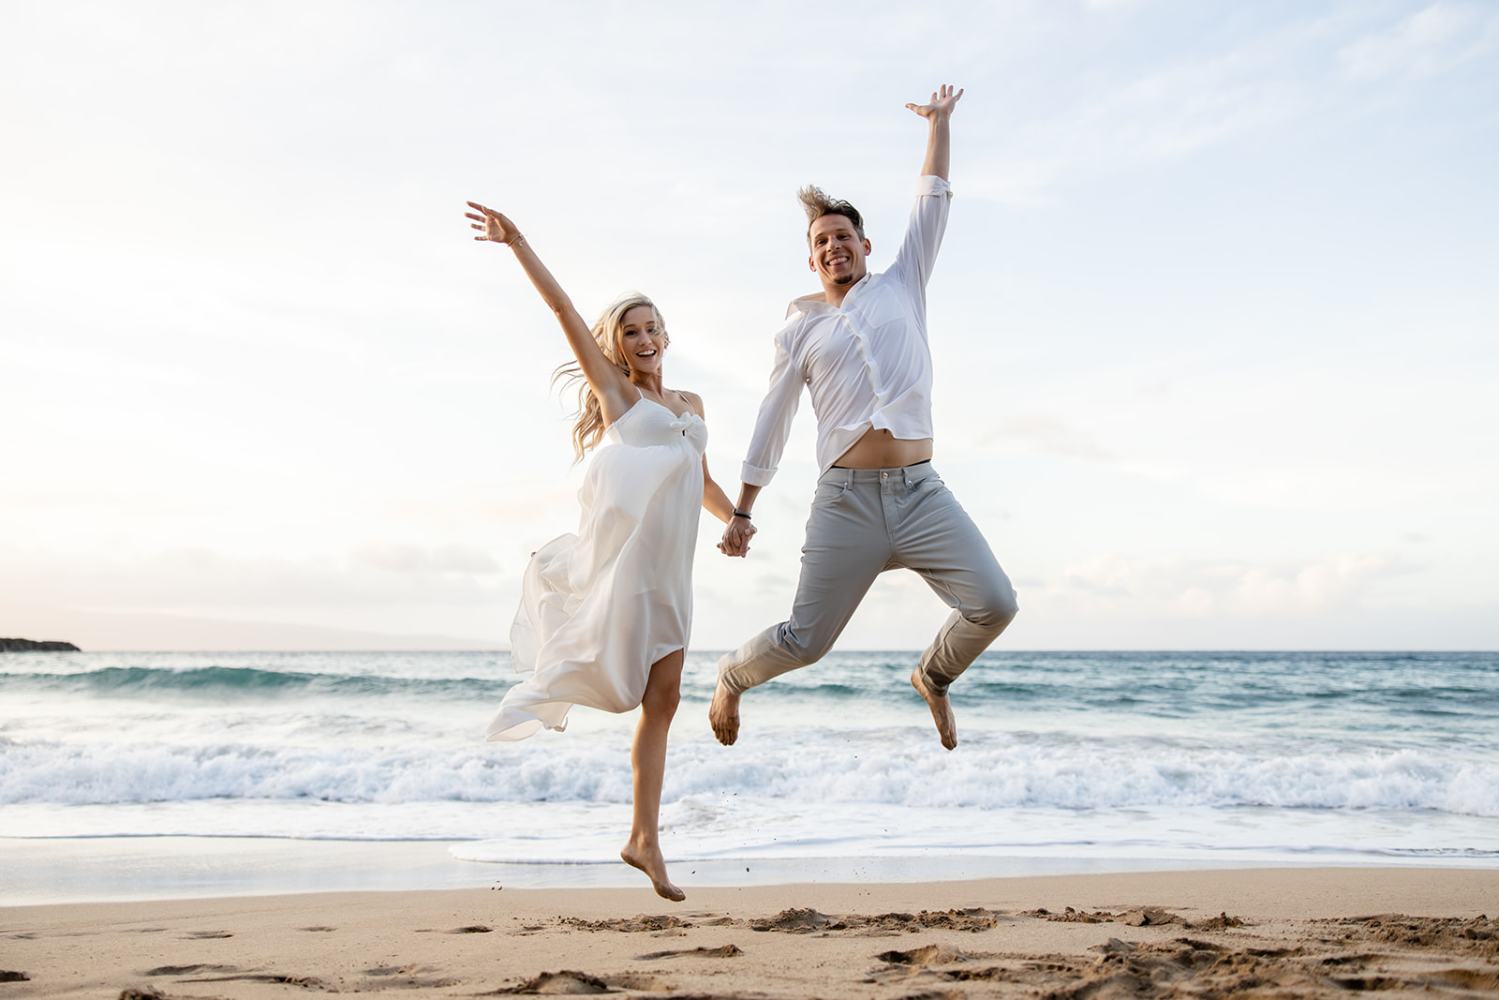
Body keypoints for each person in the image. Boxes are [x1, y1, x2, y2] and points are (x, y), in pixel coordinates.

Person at [709, 84, 1018, 751]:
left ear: (865, 244)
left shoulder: (904, 283)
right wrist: (741, 510)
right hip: (845, 503)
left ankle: (932, 678)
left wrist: (937, 125)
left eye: (841, 236)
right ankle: (732, 677)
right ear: (810, 256)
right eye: (820, 241)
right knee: (806, 641)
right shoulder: (798, 331)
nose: (831, 247)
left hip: (920, 495)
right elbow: (772, 420)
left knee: (994, 603)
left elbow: (930, 200)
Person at [465, 201, 736, 901]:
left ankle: (643, 838)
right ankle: (639, 830)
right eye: (630, 331)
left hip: (675, 572)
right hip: (630, 573)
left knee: (666, 699)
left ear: (666, 335)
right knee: (627, 691)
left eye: (651, 328)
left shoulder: (692, 404)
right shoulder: (616, 396)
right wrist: (517, 242)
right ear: (616, 344)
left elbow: (701, 480)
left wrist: (735, 519)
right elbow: (560, 312)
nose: (643, 338)